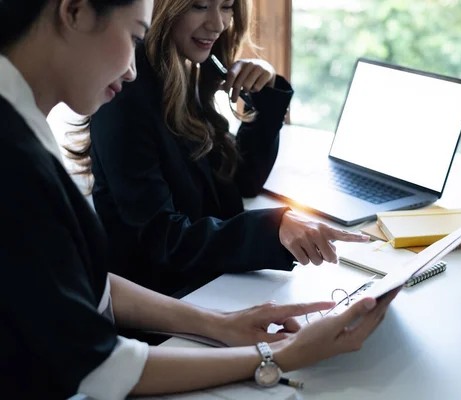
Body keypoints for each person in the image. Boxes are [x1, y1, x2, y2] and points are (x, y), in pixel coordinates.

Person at [0, 0, 399, 398]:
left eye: (226, 8)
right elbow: (98, 365)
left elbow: (92, 284)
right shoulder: (17, 158)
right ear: (75, 12)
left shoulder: (25, 128)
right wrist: (283, 353)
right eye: (135, 36)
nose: (133, 69)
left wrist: (218, 324)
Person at [79, 0, 370, 294]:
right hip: (167, 302)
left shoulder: (187, 73)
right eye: (200, 5)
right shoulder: (126, 94)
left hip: (213, 283)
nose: (218, 24)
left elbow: (243, 181)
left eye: (228, 6)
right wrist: (272, 229)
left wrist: (264, 92)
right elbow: (162, 239)